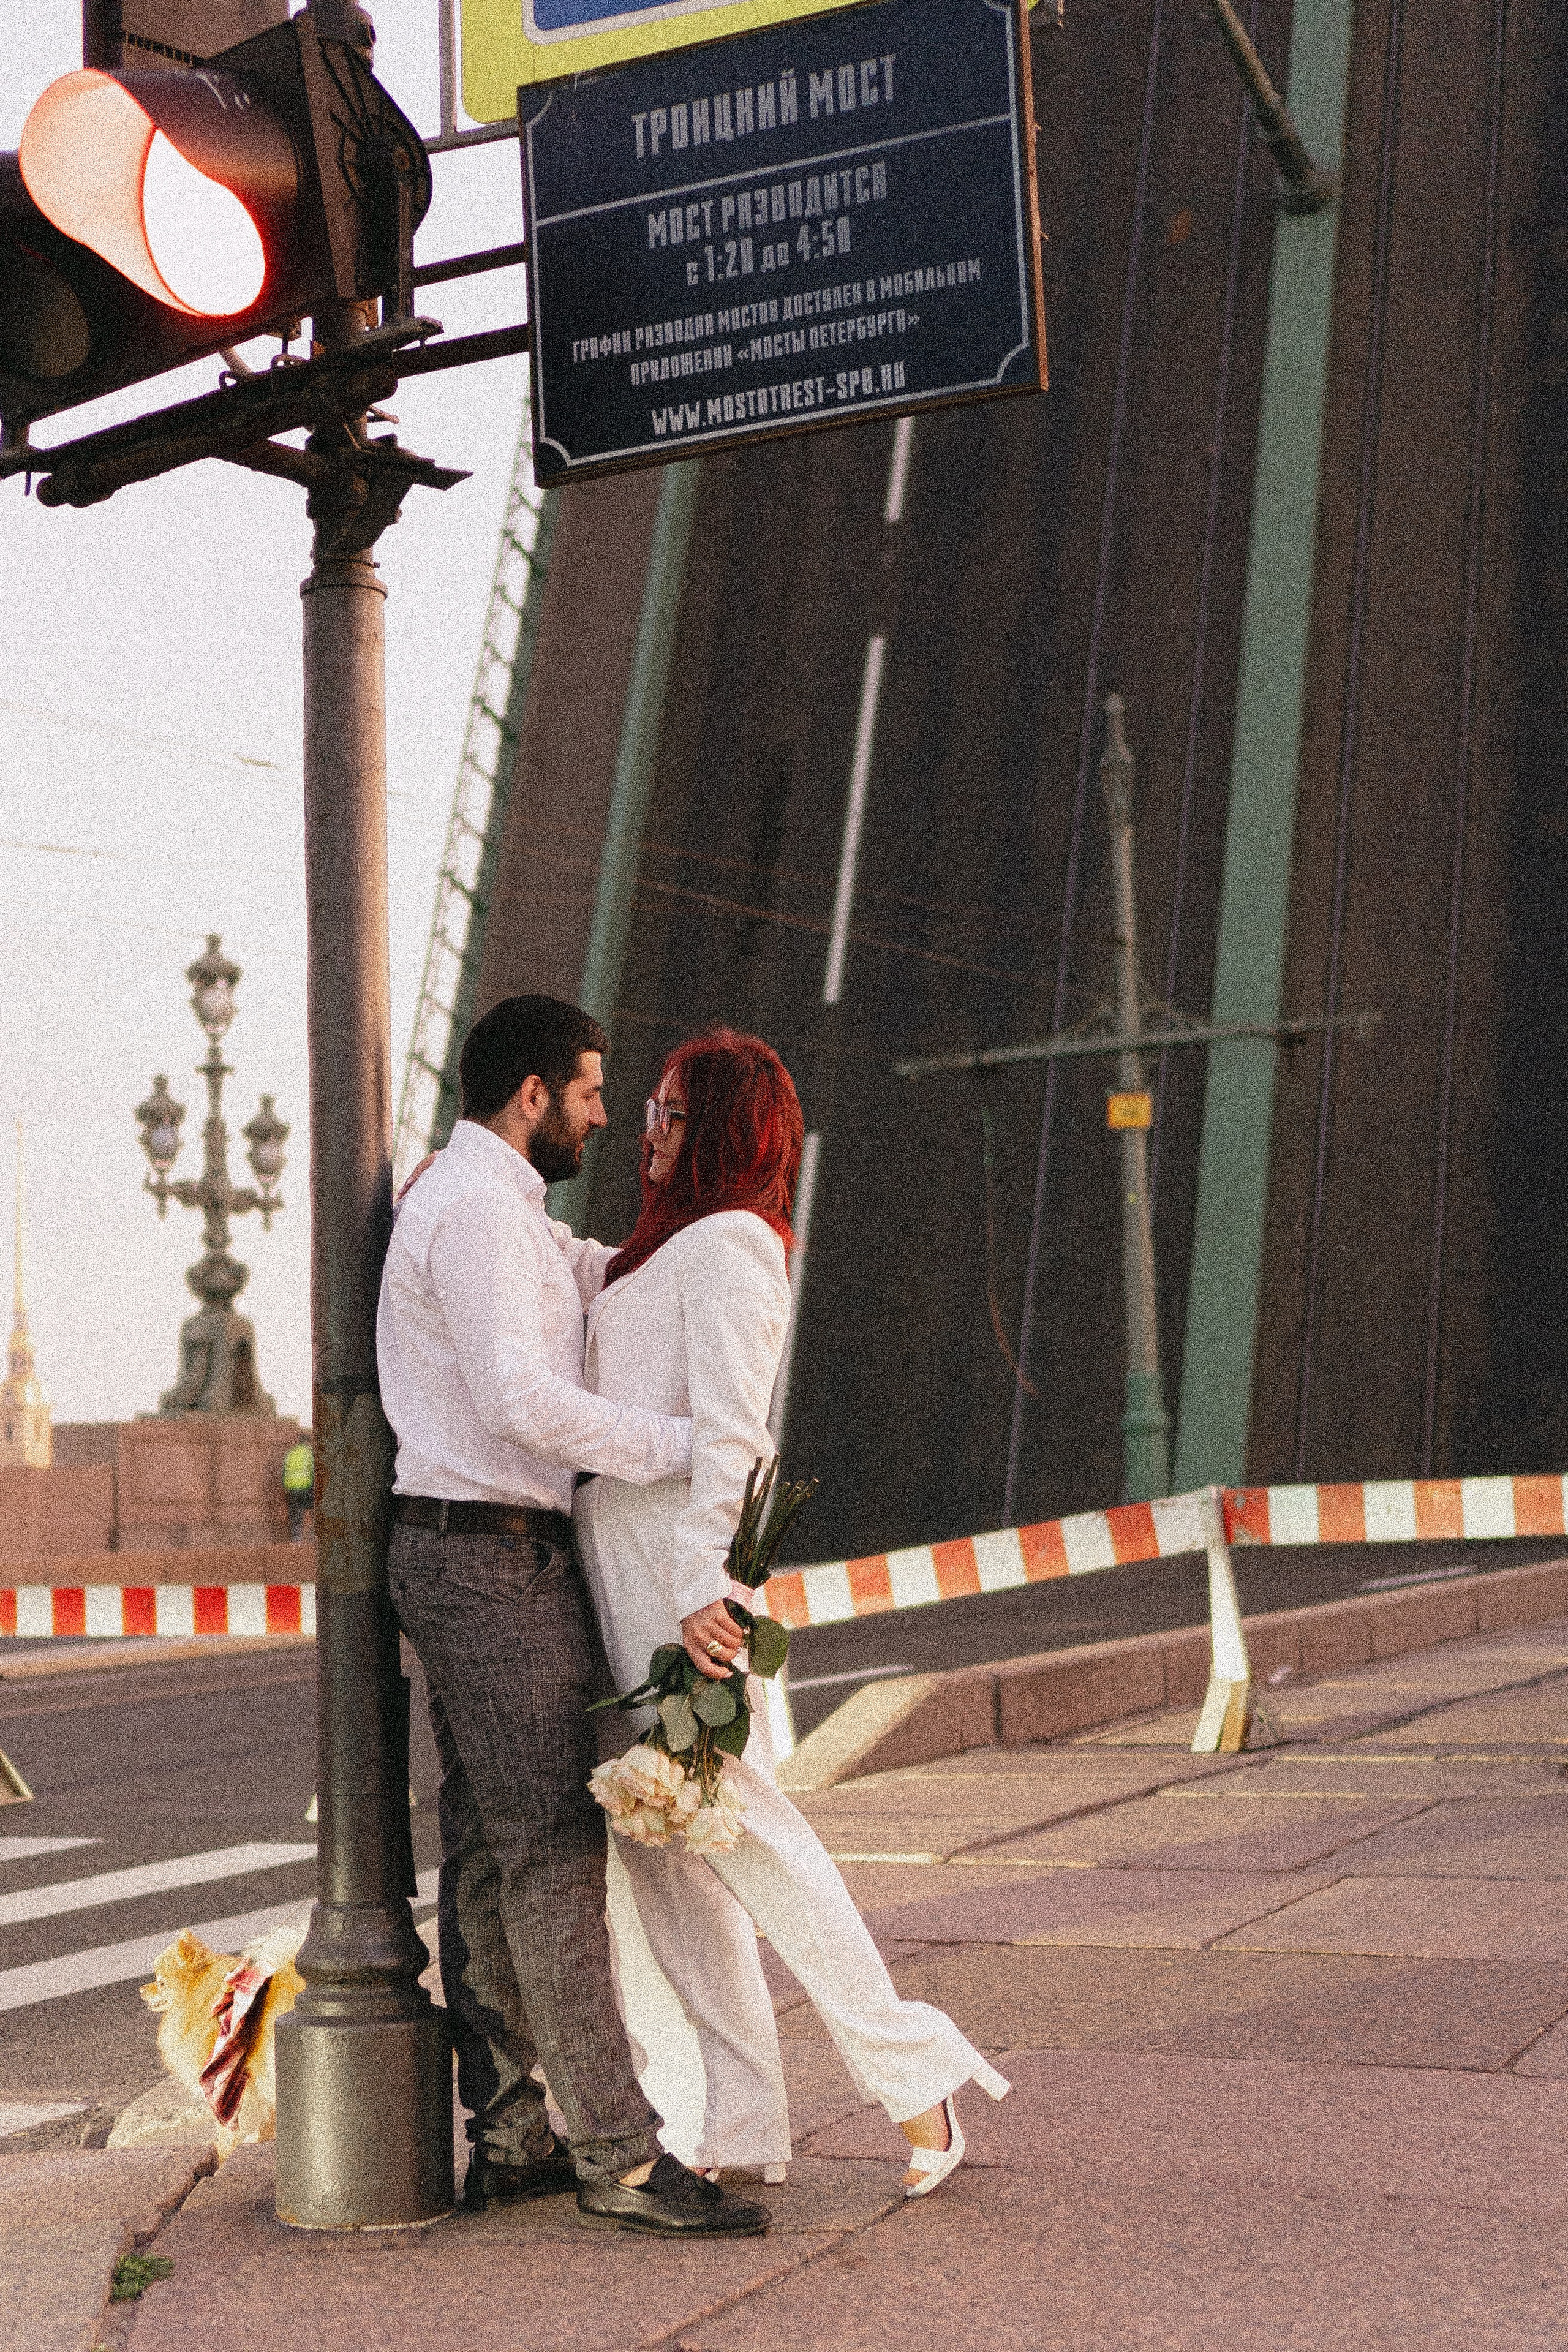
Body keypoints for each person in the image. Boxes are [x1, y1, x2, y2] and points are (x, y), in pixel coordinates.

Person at [574, 1028, 1009, 2199]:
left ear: (720, 1125)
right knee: (668, 1860)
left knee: (748, 1834)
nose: (650, 1130)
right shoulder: (655, 1250)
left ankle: (917, 2079)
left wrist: (704, 1588)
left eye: (671, 1111)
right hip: (624, 1570)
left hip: (680, 1582)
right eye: (652, 1109)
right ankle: (741, 2120)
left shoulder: (730, 1245)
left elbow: (737, 1433)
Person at [376, 994, 769, 2239]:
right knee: (554, 1848)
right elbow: (516, 1401)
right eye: (592, 1093)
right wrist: (681, 1442)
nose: (606, 1115)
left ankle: (512, 2132)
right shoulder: (479, 1207)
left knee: (495, 1847)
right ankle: (621, 2156)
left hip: (475, 1554)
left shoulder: (505, 1209)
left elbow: (599, 1278)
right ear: (533, 1094)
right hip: (485, 1559)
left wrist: (685, 1247)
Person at [281, 1438, 314, 1542]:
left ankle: (296, 1540)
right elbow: (315, 1470)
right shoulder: (310, 1452)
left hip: (291, 1488)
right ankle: (313, 1537)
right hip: (307, 1487)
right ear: (308, 1441)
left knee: (295, 1514)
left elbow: (284, 1471)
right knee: (314, 1512)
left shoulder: (291, 1452)